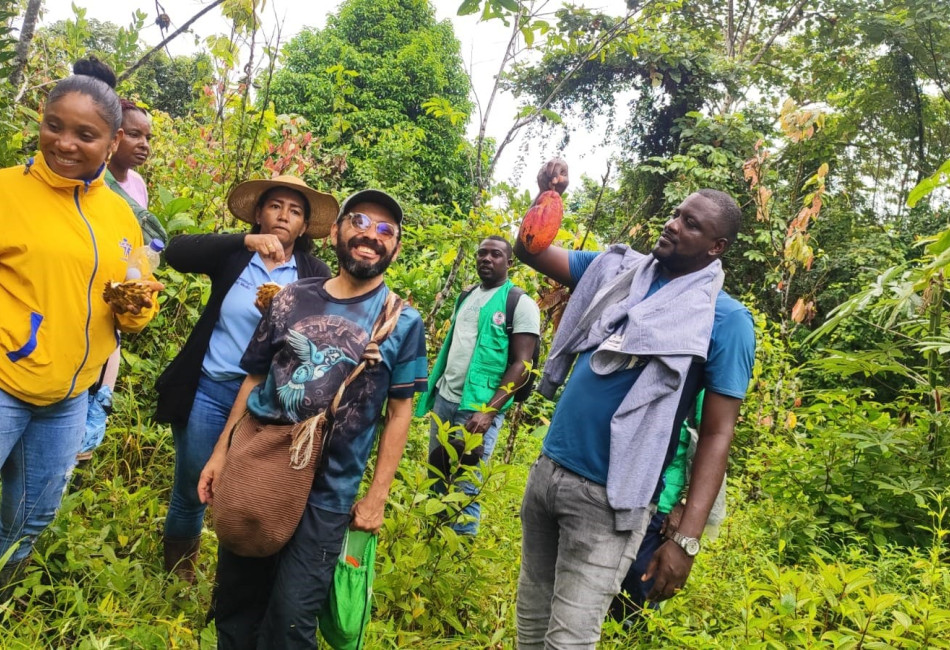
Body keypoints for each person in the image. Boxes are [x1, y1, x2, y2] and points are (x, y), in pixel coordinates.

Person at [514, 159, 755, 648]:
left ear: (717, 247)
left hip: (612, 500)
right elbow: (532, 251)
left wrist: (685, 540)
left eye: (692, 224)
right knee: (531, 622)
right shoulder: (618, 271)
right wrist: (547, 197)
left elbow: (717, 435)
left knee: (570, 639)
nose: (672, 224)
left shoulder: (726, 320)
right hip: (549, 473)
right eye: (676, 213)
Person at [197, 189, 427, 649]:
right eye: (360, 222)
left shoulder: (402, 321)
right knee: (238, 603)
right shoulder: (290, 299)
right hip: (259, 465)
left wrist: (377, 495)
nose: (371, 235)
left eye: (386, 230)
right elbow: (253, 380)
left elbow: (400, 412)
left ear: (396, 247)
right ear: (338, 231)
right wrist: (220, 454)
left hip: (329, 491)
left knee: (292, 619)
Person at [0, 57, 162, 597]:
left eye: (84, 134)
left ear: (113, 141)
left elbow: (129, 306)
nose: (64, 142)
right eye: (53, 125)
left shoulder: (120, 215)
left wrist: (138, 304)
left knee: (31, 519)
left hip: (70, 398)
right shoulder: (7, 192)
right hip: (7, 384)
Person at [153, 176, 337, 582]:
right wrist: (243, 241)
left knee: (249, 489)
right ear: (259, 214)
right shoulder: (237, 258)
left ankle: (233, 578)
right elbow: (176, 253)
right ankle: (178, 576)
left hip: (268, 402)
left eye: (295, 211)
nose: (283, 216)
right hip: (211, 388)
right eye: (275, 207)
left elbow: (326, 329)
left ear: (304, 227)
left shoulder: (312, 272)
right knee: (194, 483)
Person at [415, 235, 540, 535]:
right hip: (447, 399)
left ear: (509, 262)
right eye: (481, 253)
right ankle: (430, 547)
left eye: (495, 254)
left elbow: (523, 364)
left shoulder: (520, 304)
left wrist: (488, 411)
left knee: (465, 488)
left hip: (478, 409)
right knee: (436, 474)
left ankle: (456, 566)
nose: (486, 259)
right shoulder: (467, 296)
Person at [77, 99, 167, 466]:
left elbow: (139, 242)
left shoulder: (138, 185)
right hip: (87, 281)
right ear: (113, 137)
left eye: (148, 136)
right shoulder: (93, 182)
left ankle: (97, 410)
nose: (143, 144)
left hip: (122, 284)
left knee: (108, 344)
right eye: (134, 134)